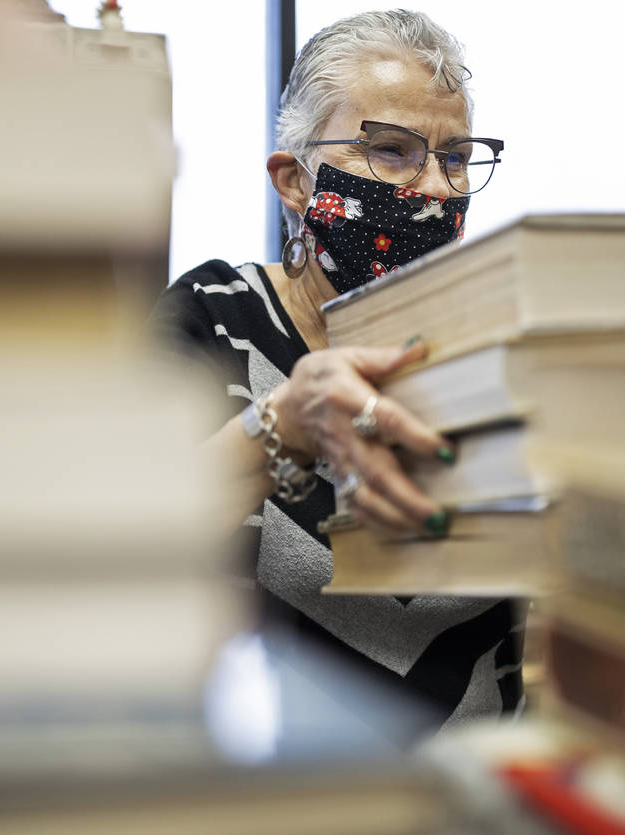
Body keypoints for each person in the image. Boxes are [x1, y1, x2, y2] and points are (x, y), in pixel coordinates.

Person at [151, 10, 524, 750]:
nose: (434, 189)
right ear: (294, 182)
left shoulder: (498, 347)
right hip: (271, 779)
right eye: (390, 151)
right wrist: (281, 427)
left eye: (455, 158)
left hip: (479, 781)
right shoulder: (213, 319)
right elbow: (117, 538)